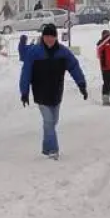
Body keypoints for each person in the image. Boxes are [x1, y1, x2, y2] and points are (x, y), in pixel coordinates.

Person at [19, 23, 88, 160]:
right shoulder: (34, 52)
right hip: (40, 92)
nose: (49, 39)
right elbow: (26, 72)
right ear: (43, 37)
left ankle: (46, 147)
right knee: (49, 121)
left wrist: (81, 84)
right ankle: (53, 150)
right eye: (46, 36)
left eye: (52, 36)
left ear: (56, 37)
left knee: (53, 121)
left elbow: (74, 67)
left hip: (56, 92)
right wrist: (24, 92)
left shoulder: (63, 52)